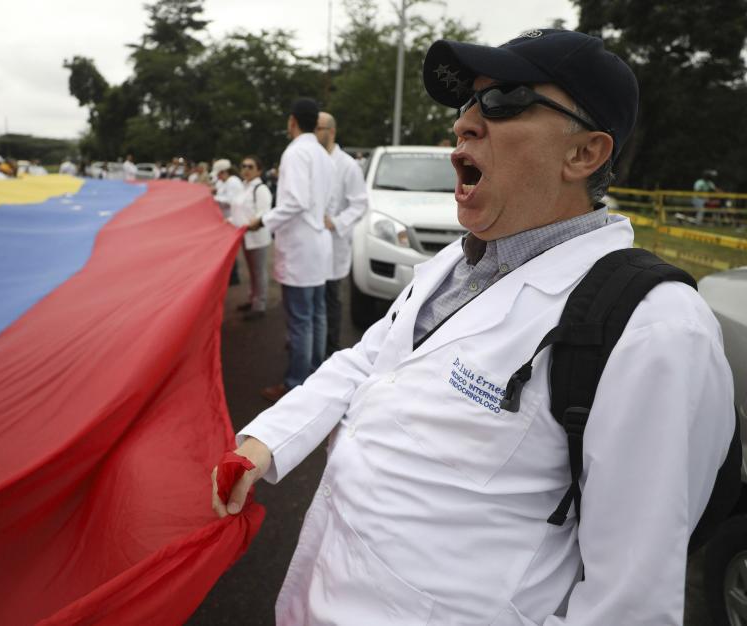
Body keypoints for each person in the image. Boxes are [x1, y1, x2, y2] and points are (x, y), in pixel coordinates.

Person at [216, 29, 734, 624]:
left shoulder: (653, 330)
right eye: (467, 104)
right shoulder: (451, 265)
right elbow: (369, 361)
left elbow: (630, 602)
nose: (464, 123)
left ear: (584, 154)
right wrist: (265, 443)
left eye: (504, 101)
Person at [247, 98, 334, 402]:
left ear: (293, 121)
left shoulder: (296, 152)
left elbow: (295, 201)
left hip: (301, 246)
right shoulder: (323, 154)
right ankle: (315, 372)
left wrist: (262, 220)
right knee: (316, 314)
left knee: (301, 319)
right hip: (317, 244)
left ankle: (297, 383)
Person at [314, 112, 369, 356]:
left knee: (331, 299)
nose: (313, 133)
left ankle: (329, 348)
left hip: (334, 242)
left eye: (318, 128)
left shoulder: (347, 165)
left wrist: (335, 222)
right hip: (310, 244)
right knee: (311, 297)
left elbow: (359, 204)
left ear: (332, 132)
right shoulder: (311, 160)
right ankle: (312, 340)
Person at [228, 156, 273, 320]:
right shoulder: (244, 187)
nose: (246, 169)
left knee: (259, 271)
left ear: (258, 170)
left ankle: (259, 305)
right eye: (243, 166)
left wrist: (252, 223)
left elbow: (264, 211)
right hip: (245, 237)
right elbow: (238, 212)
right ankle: (253, 298)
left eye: (250, 167)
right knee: (252, 272)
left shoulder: (260, 188)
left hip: (256, 237)